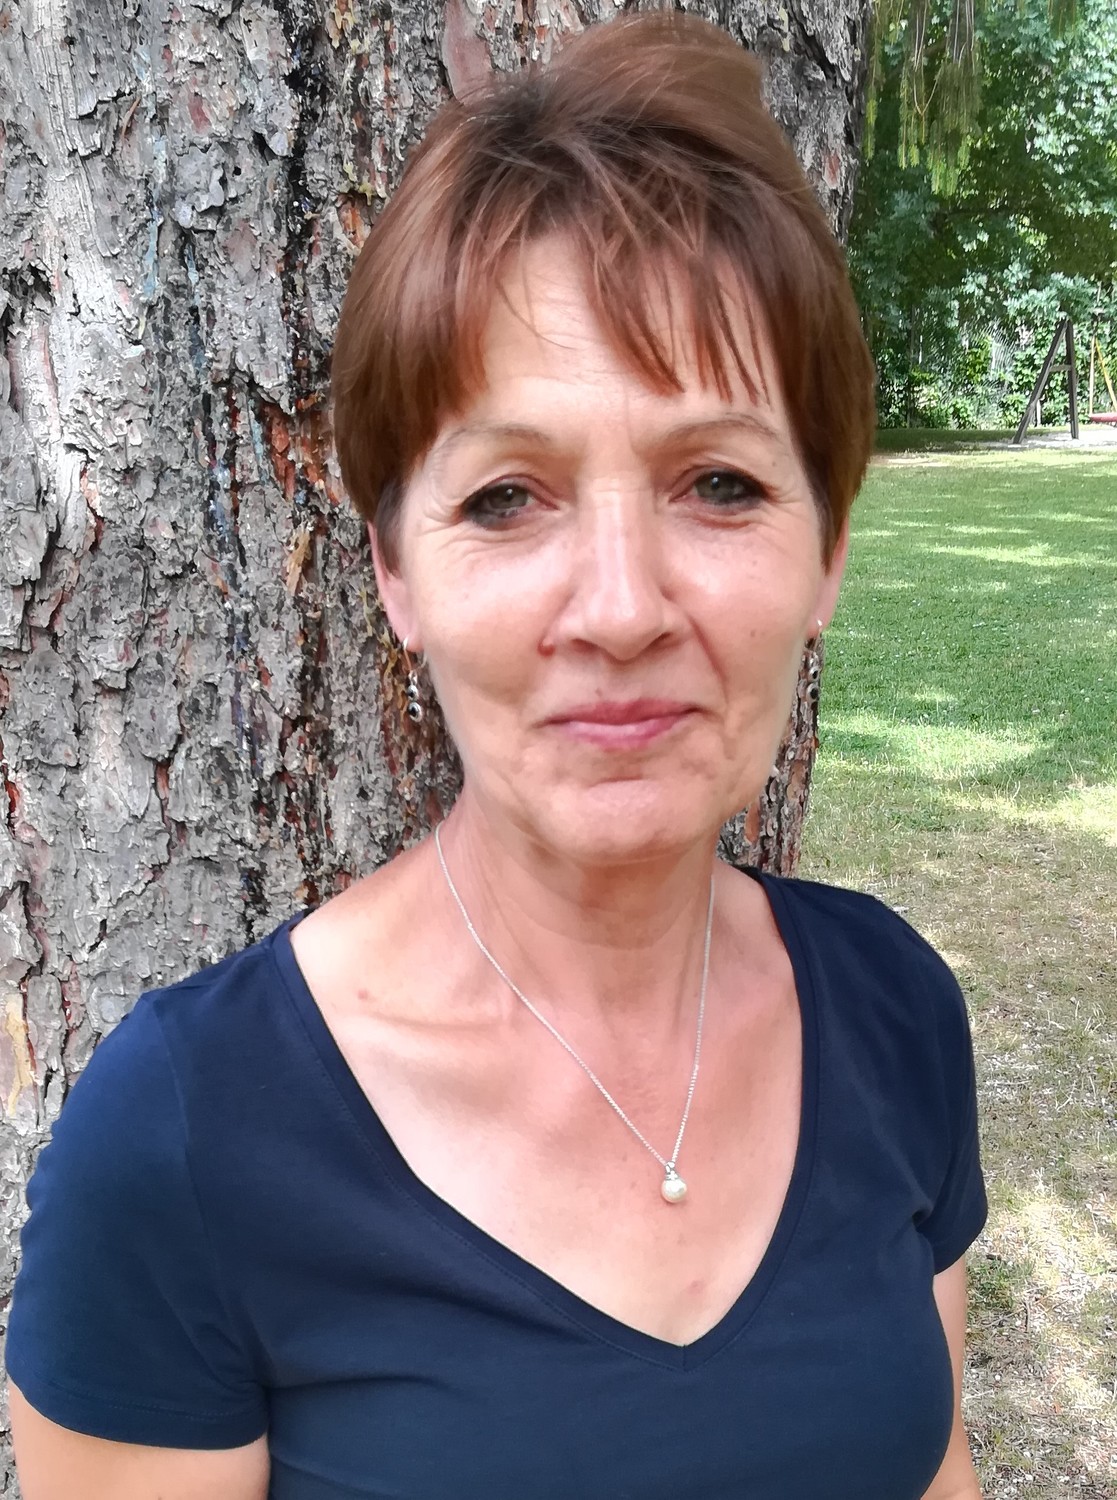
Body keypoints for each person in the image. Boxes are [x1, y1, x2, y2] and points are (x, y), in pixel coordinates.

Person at [6, 13, 987, 1500]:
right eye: (508, 498)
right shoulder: (189, 1137)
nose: (620, 607)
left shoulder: (895, 1012)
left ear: (829, 551)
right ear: (395, 571)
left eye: (719, 483)